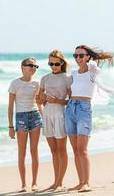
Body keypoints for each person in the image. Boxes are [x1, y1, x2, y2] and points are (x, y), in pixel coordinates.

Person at [65, 45, 114, 192]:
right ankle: (80, 182)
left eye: (81, 55)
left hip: (84, 109)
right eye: (75, 56)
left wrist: (90, 61)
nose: (78, 58)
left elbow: (93, 65)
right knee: (75, 150)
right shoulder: (73, 72)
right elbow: (68, 91)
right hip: (70, 109)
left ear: (88, 57)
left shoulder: (93, 71)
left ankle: (86, 183)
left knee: (83, 149)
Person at [37, 50, 71, 191]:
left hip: (60, 115)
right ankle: (55, 182)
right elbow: (38, 99)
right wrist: (41, 98)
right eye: (51, 64)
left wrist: (57, 100)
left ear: (62, 63)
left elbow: (71, 100)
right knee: (53, 151)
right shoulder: (44, 78)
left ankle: (60, 182)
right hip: (47, 115)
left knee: (62, 150)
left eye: (56, 63)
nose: (53, 66)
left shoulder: (67, 78)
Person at [8, 57, 43, 192]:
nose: (33, 68)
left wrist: (44, 119)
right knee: (21, 153)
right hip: (21, 118)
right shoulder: (15, 83)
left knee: (34, 151)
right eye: (30, 65)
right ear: (22, 67)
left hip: (35, 116)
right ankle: (23, 184)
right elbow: (10, 107)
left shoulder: (37, 83)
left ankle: (34, 183)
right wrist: (11, 127)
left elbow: (39, 103)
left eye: (35, 66)